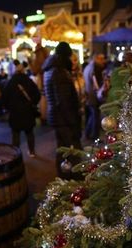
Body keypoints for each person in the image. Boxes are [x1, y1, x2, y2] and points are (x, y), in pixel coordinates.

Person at [42, 41, 82, 178]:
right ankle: (74, 175)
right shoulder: (59, 72)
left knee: (62, 148)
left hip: (57, 116)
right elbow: (63, 101)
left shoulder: (50, 69)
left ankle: (63, 174)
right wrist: (73, 121)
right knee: (72, 148)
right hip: (64, 118)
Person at [3, 61, 40, 157]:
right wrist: (32, 103)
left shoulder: (10, 82)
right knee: (29, 132)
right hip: (28, 110)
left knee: (15, 133)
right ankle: (32, 152)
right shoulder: (29, 81)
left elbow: (5, 97)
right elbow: (37, 94)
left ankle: (16, 153)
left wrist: (9, 107)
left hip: (15, 111)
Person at [84, 53, 106, 140]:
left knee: (92, 115)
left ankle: (88, 133)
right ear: (96, 58)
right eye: (101, 59)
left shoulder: (88, 67)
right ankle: (95, 136)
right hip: (94, 95)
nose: (103, 61)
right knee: (95, 116)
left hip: (89, 94)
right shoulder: (96, 68)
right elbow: (97, 84)